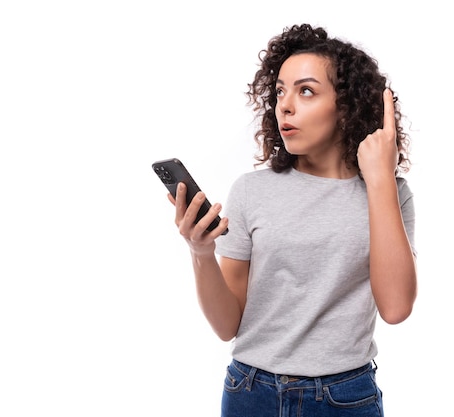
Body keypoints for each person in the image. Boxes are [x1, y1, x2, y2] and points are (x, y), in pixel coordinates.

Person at [167, 23, 417, 417]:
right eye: (280, 90)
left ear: (347, 106)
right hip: (250, 391)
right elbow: (226, 324)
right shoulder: (252, 190)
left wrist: (381, 178)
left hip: (345, 397)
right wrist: (201, 253)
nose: (285, 104)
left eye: (306, 91)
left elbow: (396, 307)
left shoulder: (389, 193)